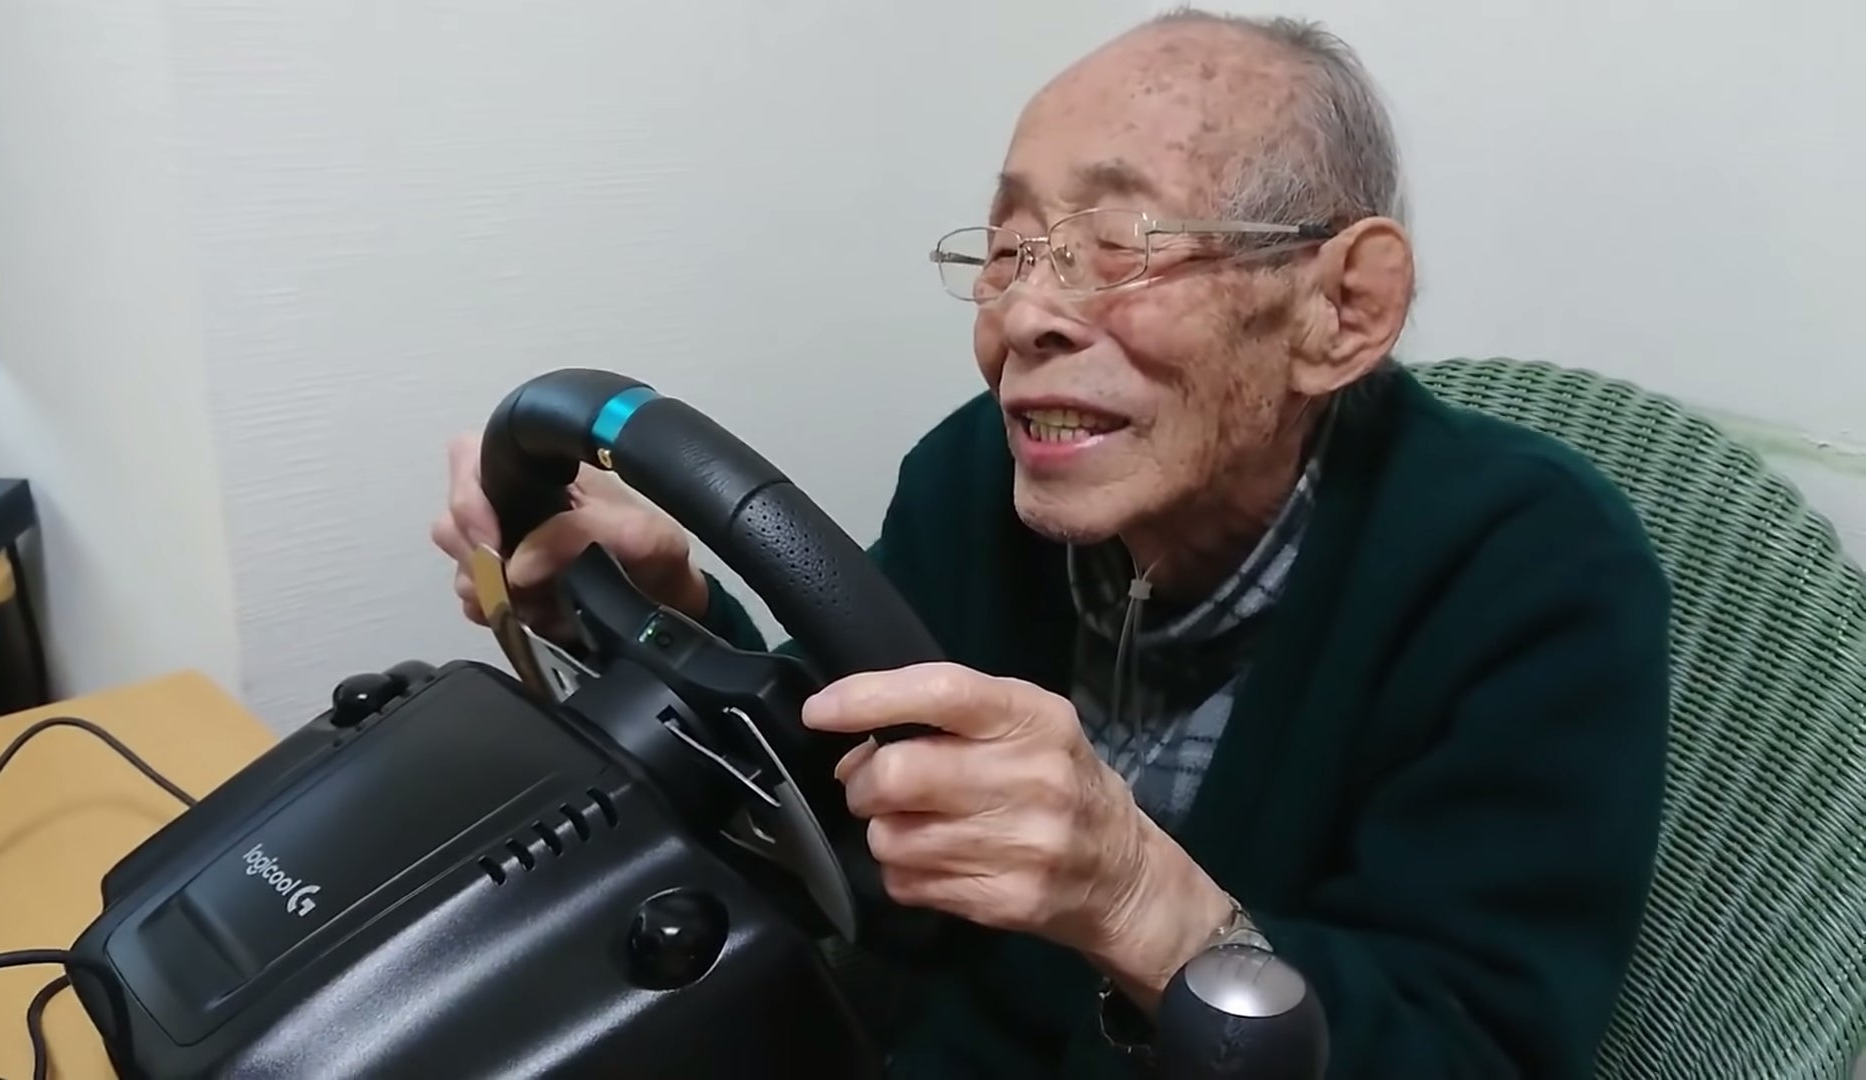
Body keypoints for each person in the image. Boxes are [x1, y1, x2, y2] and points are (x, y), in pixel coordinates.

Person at [432, 10, 1669, 1078]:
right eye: (1010, 249)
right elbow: (861, 819)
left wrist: (1137, 899)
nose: (1023, 314)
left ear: (1341, 309)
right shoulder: (972, 474)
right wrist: (676, 611)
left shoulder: (1534, 573)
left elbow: (1481, 1045)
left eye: (1118, 246)